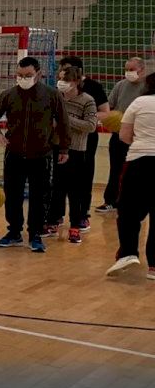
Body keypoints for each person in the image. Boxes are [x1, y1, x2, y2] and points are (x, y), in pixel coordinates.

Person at [0, 57, 70, 253]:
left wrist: (64, 149)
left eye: (28, 75)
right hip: (14, 154)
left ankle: (35, 235)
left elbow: (63, 123)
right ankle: (14, 232)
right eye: (20, 75)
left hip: (42, 155)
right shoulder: (8, 95)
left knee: (39, 197)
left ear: (38, 74)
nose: (23, 79)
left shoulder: (52, 95)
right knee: (12, 195)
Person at [105, 72, 155, 278]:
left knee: (128, 211)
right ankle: (154, 267)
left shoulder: (138, 103)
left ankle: (128, 253)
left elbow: (124, 136)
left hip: (139, 161)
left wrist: (143, 140)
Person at [44, 66, 99, 244]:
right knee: (56, 187)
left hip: (76, 149)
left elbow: (90, 125)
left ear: (75, 81)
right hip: (56, 147)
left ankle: (75, 226)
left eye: (66, 80)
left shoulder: (87, 100)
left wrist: (65, 119)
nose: (61, 83)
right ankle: (53, 221)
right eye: (60, 79)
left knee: (75, 190)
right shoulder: (55, 98)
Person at [57, 55, 109, 233]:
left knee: (83, 178)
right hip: (62, 140)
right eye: (61, 70)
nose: (62, 73)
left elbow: (105, 112)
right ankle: (57, 215)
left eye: (66, 70)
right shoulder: (58, 89)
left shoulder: (93, 88)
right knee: (59, 179)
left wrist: (77, 119)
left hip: (84, 139)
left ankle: (82, 215)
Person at [98, 57, 147, 214]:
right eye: (126, 70)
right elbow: (109, 107)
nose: (128, 73)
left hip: (140, 137)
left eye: (132, 70)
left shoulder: (148, 88)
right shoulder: (120, 85)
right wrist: (110, 118)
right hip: (119, 135)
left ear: (142, 70)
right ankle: (110, 201)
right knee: (115, 169)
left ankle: (136, 203)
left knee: (137, 172)